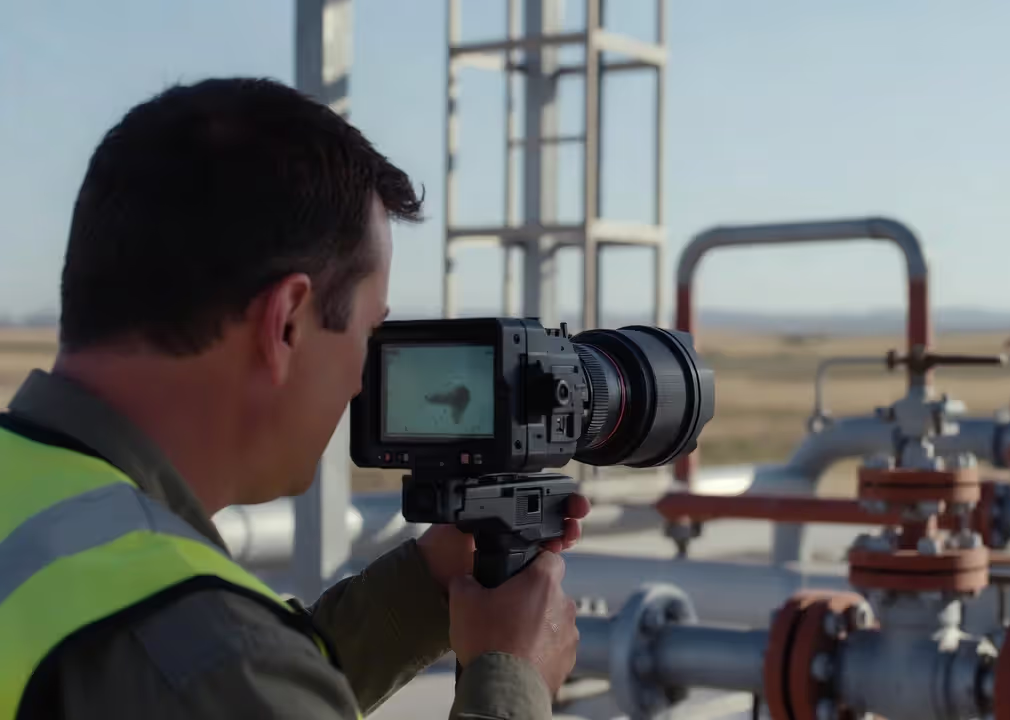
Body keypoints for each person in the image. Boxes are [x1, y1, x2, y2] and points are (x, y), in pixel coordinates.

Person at [0, 77, 589, 720]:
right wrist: (512, 681)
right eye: (369, 333)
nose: (364, 379)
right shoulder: (210, 656)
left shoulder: (36, 507)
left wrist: (423, 588)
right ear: (286, 322)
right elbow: (221, 678)